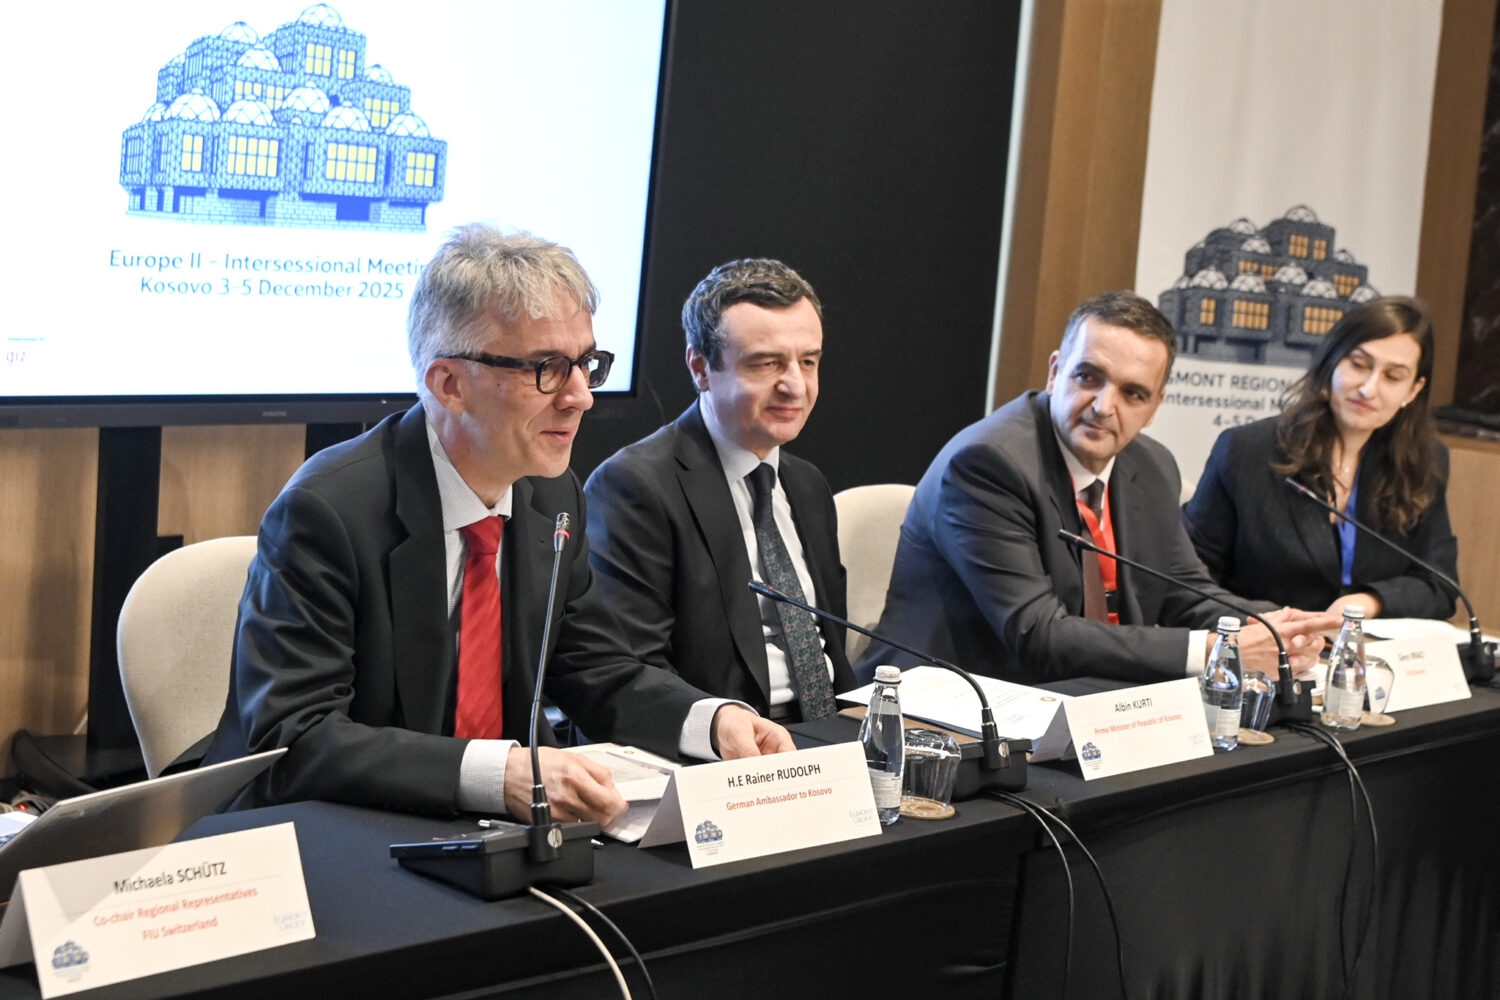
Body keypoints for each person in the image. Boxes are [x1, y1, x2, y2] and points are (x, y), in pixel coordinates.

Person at [202, 226, 792, 824]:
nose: (581, 397)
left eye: (586, 364)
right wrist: (495, 772)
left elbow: (592, 665)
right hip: (342, 829)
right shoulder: (327, 511)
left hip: (494, 833)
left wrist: (709, 721)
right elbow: (295, 738)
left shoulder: (552, 494)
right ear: (449, 385)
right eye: (547, 368)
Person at [860, 291, 1336, 686]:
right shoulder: (987, 465)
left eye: (1133, 393)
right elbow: (1039, 635)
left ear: (1155, 406)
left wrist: (1278, 626)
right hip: (949, 704)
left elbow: (1184, 592)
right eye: (1089, 377)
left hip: (1082, 701)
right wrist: (1216, 650)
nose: (1105, 407)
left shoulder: (1152, 467)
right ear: (1054, 372)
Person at [584, 259, 854, 722]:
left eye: (808, 362)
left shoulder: (807, 484)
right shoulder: (635, 487)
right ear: (701, 368)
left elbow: (831, 647)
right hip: (722, 743)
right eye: (767, 363)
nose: (795, 385)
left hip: (831, 731)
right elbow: (629, 674)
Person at [1183, 295, 1457, 620]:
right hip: (1265, 641)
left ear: (1412, 390)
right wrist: (1269, 624)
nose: (1369, 389)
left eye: (1393, 377)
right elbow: (1190, 578)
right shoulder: (1246, 450)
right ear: (1331, 361)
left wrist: (1368, 603)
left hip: (1371, 647)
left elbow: (1440, 585)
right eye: (1359, 364)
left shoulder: (1423, 461)